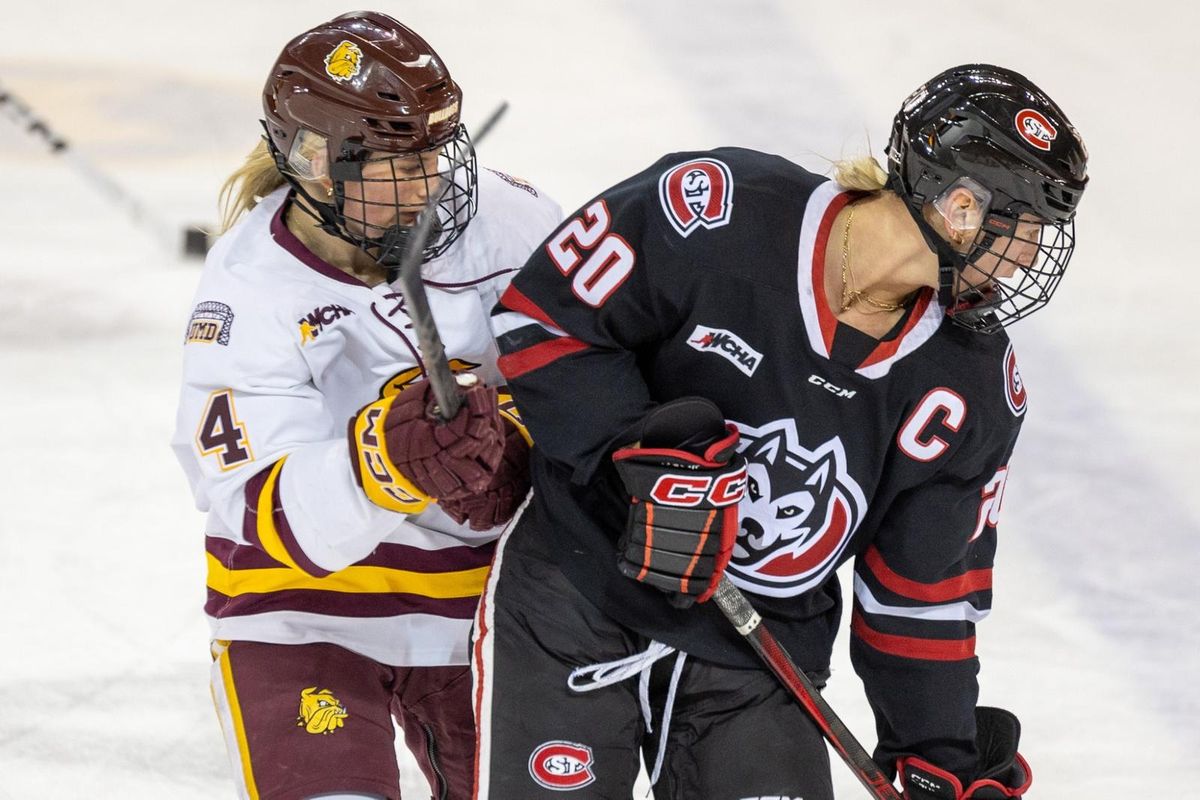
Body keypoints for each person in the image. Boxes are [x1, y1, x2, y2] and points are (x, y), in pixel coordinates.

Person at [476, 64, 1087, 799]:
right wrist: (632, 453)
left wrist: (939, 753)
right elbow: (546, 318)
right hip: (578, 597)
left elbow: (919, 592)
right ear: (961, 205)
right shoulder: (720, 211)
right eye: (1027, 230)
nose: (1029, 259)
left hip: (759, 658)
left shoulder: (971, 385)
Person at [170, 11, 560, 799]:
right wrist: (385, 459)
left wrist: (518, 447)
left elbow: (593, 378)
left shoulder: (515, 226)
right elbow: (259, 509)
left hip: (488, 608)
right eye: (397, 164)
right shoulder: (248, 289)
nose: (428, 186)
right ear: (315, 162)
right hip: (303, 614)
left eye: (434, 155)